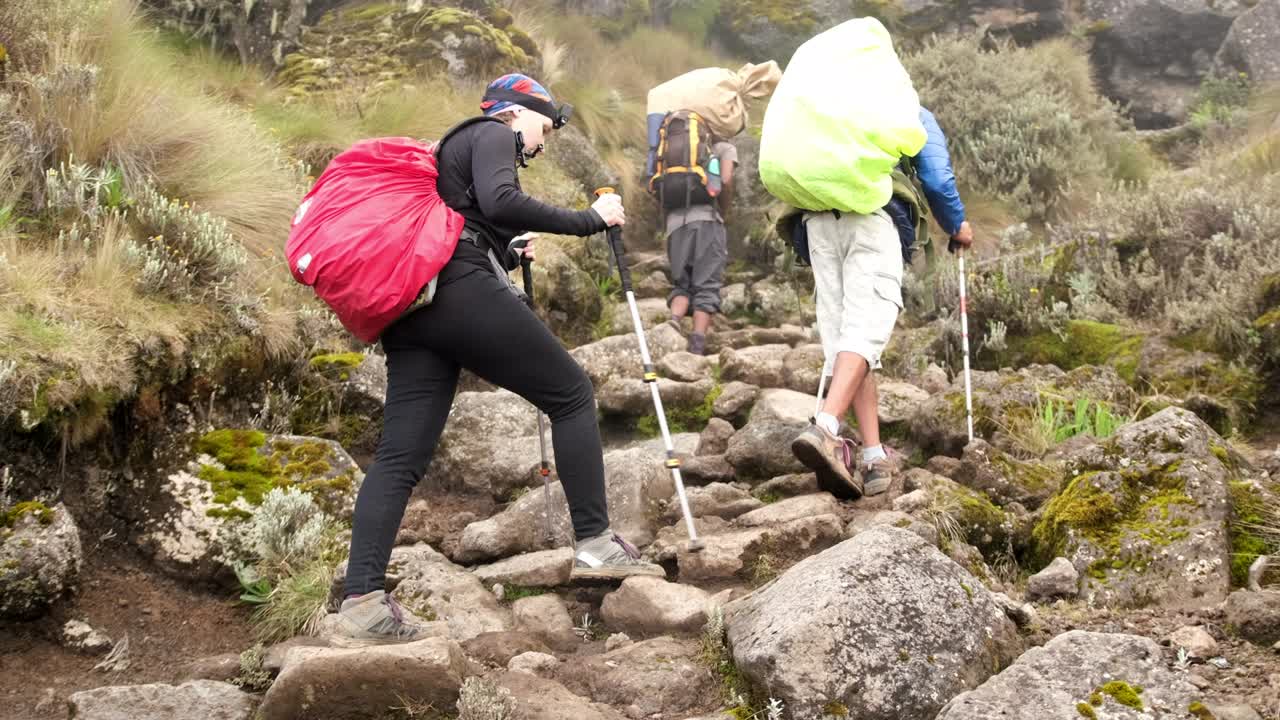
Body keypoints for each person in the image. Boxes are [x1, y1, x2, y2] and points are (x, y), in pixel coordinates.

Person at [332, 74, 663, 645]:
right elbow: (501, 199)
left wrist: (503, 250)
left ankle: (361, 598)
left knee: (399, 459)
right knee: (572, 394)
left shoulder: (452, 151)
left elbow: (469, 218)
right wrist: (592, 219)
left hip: (416, 310)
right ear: (518, 112)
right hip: (457, 288)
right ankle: (595, 544)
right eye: (544, 127)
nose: (543, 141)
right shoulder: (492, 132)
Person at [792, 106, 972, 499]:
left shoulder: (825, 103)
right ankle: (825, 427)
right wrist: (957, 225)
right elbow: (937, 178)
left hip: (816, 220)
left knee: (848, 341)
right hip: (871, 216)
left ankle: (872, 456)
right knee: (866, 330)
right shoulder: (905, 105)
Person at [662, 133, 737, 356]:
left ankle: (671, 328)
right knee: (707, 284)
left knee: (681, 283)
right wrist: (724, 211)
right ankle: (697, 346)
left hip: (674, 223)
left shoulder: (673, 143)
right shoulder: (723, 146)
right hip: (707, 221)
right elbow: (725, 181)